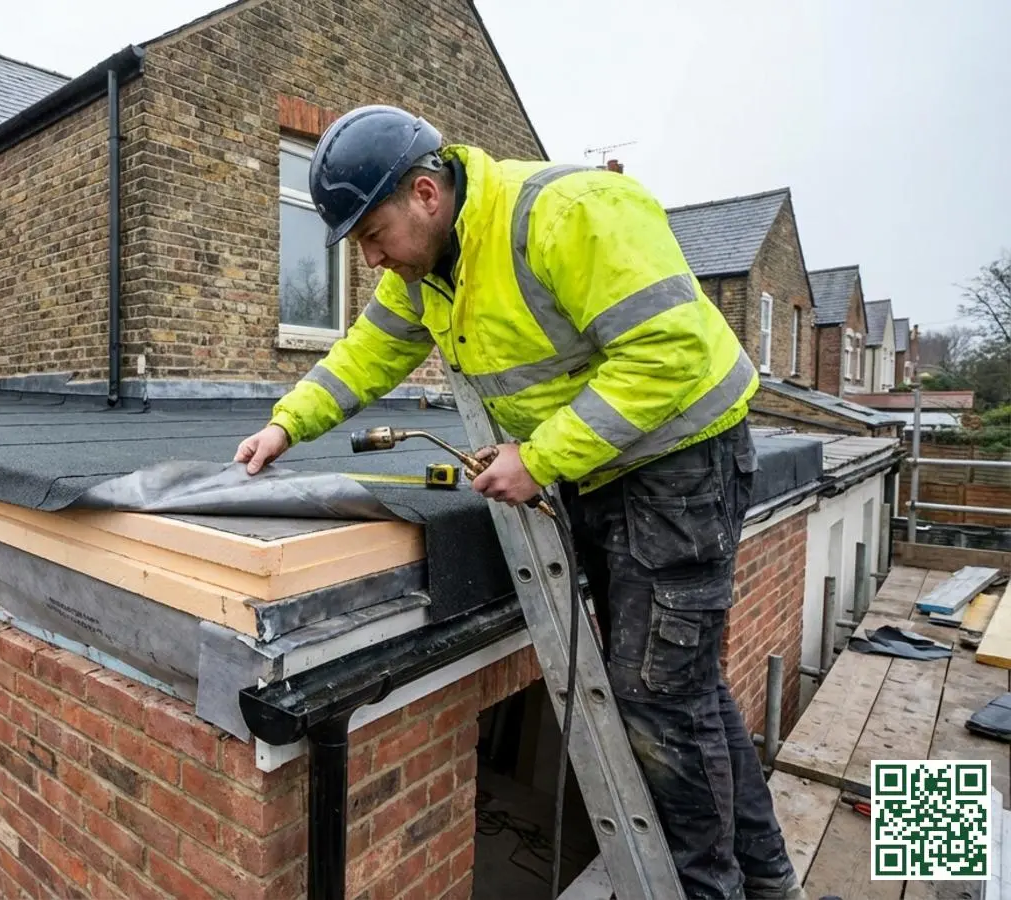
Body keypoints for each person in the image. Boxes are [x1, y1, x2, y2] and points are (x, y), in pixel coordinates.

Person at [234, 105, 804, 900]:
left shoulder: (566, 213)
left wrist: (539, 459)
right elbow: (369, 352)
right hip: (608, 473)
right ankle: (770, 884)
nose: (369, 260)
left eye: (371, 234)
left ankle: (719, 892)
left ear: (427, 194)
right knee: (682, 693)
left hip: (682, 468)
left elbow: (669, 351)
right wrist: (285, 425)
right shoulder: (430, 269)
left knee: (658, 704)